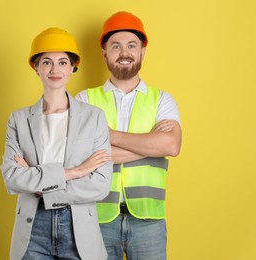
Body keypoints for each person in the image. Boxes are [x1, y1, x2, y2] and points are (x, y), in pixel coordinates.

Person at [75, 11, 182, 260]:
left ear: (142, 52)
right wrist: (148, 145)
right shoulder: (84, 100)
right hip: (96, 219)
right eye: (116, 46)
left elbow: (172, 145)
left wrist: (107, 136)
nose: (124, 52)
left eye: (132, 45)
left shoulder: (162, 100)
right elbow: (78, 156)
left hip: (149, 220)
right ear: (104, 54)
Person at [0, 27, 112, 260]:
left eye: (62, 62)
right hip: (33, 228)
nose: (54, 69)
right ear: (36, 67)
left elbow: (100, 184)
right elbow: (12, 177)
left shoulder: (95, 117)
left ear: (73, 67)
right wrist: (75, 172)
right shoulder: (18, 120)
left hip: (79, 226)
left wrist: (39, 184)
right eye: (46, 62)